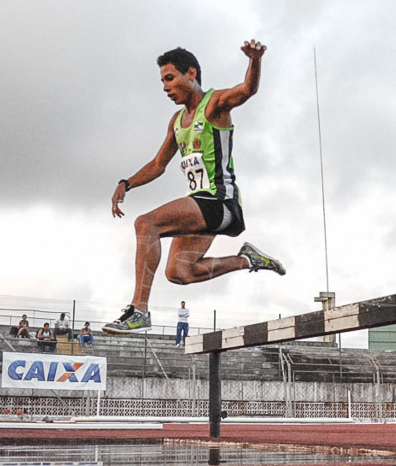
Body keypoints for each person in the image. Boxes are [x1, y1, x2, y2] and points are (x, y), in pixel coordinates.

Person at [103, 40, 286, 334]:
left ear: (191, 73)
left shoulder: (214, 105)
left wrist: (255, 60)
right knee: (179, 272)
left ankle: (139, 310)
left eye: (170, 78)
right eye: (163, 81)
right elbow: (158, 164)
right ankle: (246, 259)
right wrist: (127, 183)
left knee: (146, 224)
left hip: (220, 202)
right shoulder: (177, 121)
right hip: (200, 207)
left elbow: (246, 90)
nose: (165, 87)